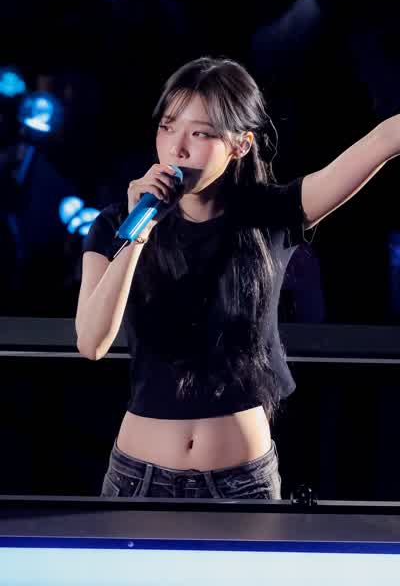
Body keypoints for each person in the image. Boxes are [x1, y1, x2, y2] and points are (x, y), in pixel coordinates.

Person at [76, 56, 400, 499]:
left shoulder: (271, 213)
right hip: (138, 479)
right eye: (168, 127)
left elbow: (385, 139)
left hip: (241, 483)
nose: (177, 148)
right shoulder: (116, 223)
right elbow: (91, 342)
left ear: (241, 145)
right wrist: (139, 231)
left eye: (200, 133)